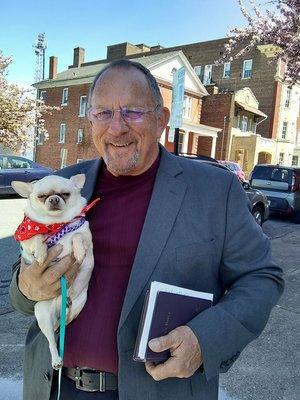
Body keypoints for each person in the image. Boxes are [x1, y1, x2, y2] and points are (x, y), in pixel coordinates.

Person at [9, 59, 284, 400]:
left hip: (161, 390)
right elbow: (21, 285)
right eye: (103, 113)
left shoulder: (215, 190)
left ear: (161, 121)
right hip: (55, 387)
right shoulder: (64, 186)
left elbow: (261, 277)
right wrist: (26, 287)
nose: (117, 127)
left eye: (134, 111)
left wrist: (205, 340)